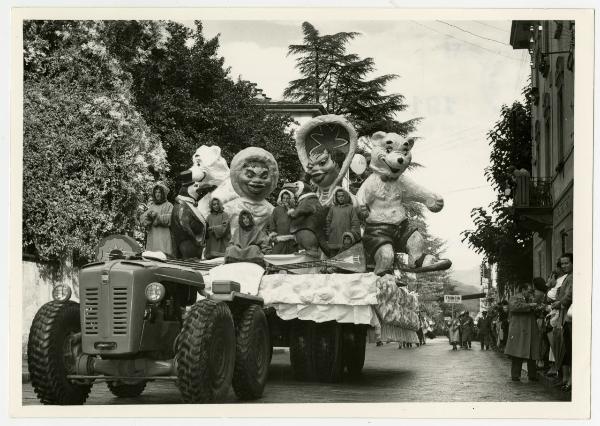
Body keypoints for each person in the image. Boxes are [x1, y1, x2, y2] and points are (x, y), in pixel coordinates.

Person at [504, 281, 543, 382]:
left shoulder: (530, 299)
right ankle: (515, 375)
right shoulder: (514, 298)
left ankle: (532, 375)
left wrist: (538, 308)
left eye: (531, 292)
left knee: (532, 353)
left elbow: (536, 310)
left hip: (530, 328)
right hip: (519, 329)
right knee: (518, 353)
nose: (530, 293)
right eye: (529, 291)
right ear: (523, 290)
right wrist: (530, 305)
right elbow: (514, 307)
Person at [552, 253, 573, 391]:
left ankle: (570, 381)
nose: (564, 265)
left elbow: (570, 295)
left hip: (570, 316)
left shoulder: (574, 276)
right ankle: (566, 379)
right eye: (562, 263)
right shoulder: (567, 277)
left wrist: (558, 303)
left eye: (567, 263)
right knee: (566, 347)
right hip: (565, 316)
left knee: (570, 348)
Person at [325, 187, 361, 257]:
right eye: (338, 196)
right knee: (333, 259)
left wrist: (351, 235)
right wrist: (328, 233)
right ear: (336, 197)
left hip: (345, 240)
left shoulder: (350, 208)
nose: (340, 198)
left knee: (345, 259)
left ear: (346, 196)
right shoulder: (333, 208)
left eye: (342, 196)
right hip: (333, 239)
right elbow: (328, 221)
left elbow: (355, 223)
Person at [140, 182, 174, 256]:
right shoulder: (152, 206)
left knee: (164, 259)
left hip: (164, 239)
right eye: (156, 192)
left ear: (164, 194)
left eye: (159, 192)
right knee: (151, 258)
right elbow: (143, 219)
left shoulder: (169, 205)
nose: (157, 194)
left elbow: (172, 219)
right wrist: (148, 217)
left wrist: (158, 217)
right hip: (152, 239)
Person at [267, 189, 297, 254]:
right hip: (279, 239)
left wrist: (289, 208)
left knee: (291, 259)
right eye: (284, 198)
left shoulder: (293, 210)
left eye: (287, 198)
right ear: (281, 199)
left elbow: (296, 221)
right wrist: (273, 234)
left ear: (290, 199)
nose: (285, 200)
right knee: (276, 257)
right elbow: (272, 223)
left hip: (291, 240)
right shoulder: (276, 209)